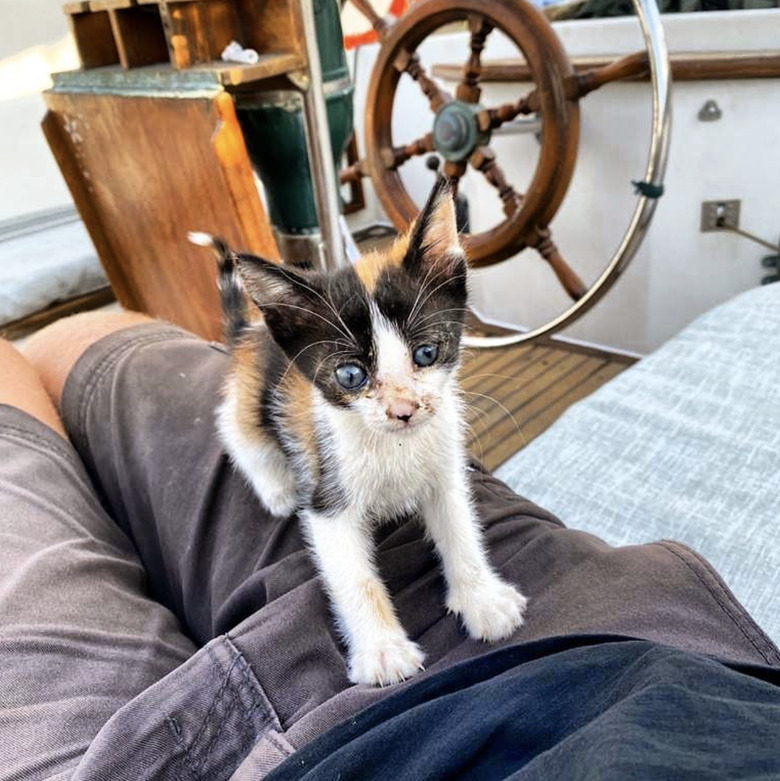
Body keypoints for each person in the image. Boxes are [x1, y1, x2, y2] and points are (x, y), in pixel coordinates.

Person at [1, 310, 778, 781]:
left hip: (142, 761)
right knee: (95, 349)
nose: (406, 398)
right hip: (611, 628)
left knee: (49, 387)